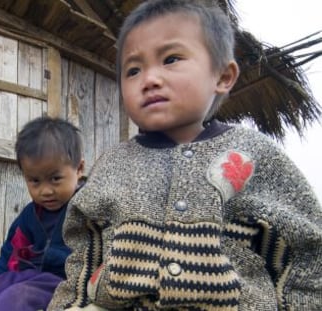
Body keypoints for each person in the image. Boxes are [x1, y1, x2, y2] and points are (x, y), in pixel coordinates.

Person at [47, 0, 322, 310]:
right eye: (133, 70)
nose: (149, 79)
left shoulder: (257, 156)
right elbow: (85, 252)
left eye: (171, 59)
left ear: (222, 76)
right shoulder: (111, 165)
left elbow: (308, 248)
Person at [0, 116, 85, 311]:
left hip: (63, 282)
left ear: (79, 169)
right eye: (35, 181)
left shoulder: (87, 210)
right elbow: (8, 255)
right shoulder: (29, 217)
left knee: (12, 301)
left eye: (55, 178)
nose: (45, 190)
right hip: (25, 277)